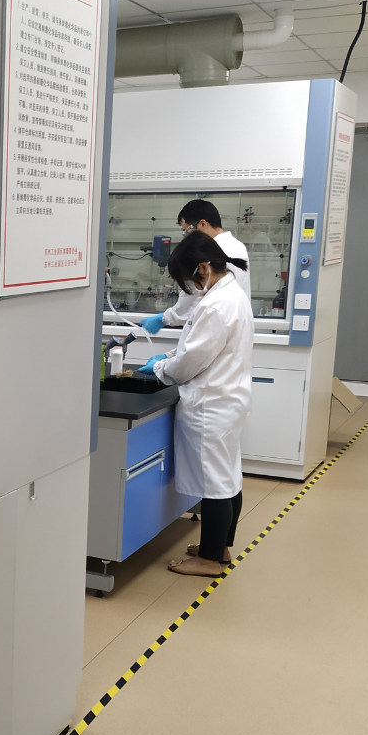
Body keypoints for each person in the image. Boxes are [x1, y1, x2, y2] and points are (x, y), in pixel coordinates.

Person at [137, 232, 254, 577]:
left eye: (185, 281)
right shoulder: (232, 294)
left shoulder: (216, 305)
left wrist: (161, 367)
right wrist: (171, 357)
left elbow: (190, 363)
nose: (187, 289)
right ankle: (220, 547)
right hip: (228, 399)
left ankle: (208, 560)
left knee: (215, 484)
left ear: (203, 268)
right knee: (228, 477)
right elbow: (197, 348)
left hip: (211, 405)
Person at [140, 199, 250, 335]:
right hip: (232, 327)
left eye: (187, 231)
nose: (187, 237)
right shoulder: (238, 246)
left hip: (212, 328)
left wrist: (164, 318)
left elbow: (193, 297)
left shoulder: (210, 252)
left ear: (203, 224)